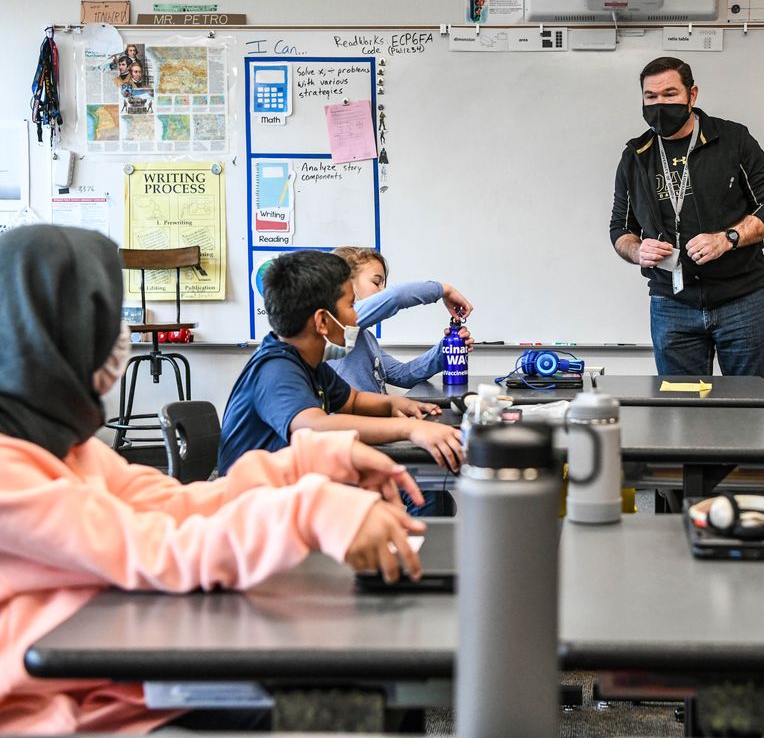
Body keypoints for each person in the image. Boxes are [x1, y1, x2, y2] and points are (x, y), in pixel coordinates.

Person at [0, 225, 428, 734]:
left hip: (121, 676)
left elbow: (176, 505)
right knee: (354, 703)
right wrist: (310, 509)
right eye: (103, 320)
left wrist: (313, 464)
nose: (122, 337)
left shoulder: (68, 449)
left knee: (383, 689)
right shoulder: (10, 472)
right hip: (70, 708)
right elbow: (158, 550)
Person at [609, 56, 764, 380]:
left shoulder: (733, 140)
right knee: (681, 413)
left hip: (742, 299)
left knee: (757, 405)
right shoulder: (636, 155)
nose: (660, 104)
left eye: (670, 94)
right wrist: (637, 251)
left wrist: (727, 239)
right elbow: (620, 227)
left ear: (692, 95)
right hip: (671, 304)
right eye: (651, 97)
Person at [217, 250, 464, 476]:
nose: (357, 315)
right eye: (351, 306)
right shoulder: (275, 369)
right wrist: (408, 429)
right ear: (323, 321)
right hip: (254, 506)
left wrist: (395, 403)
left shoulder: (310, 362)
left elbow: (353, 401)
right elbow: (314, 426)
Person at [327, 246, 475, 393]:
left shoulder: (366, 338)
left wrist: (445, 350)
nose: (383, 290)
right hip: (353, 417)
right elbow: (395, 297)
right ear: (345, 283)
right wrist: (444, 290)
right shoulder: (336, 323)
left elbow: (402, 375)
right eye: (376, 282)